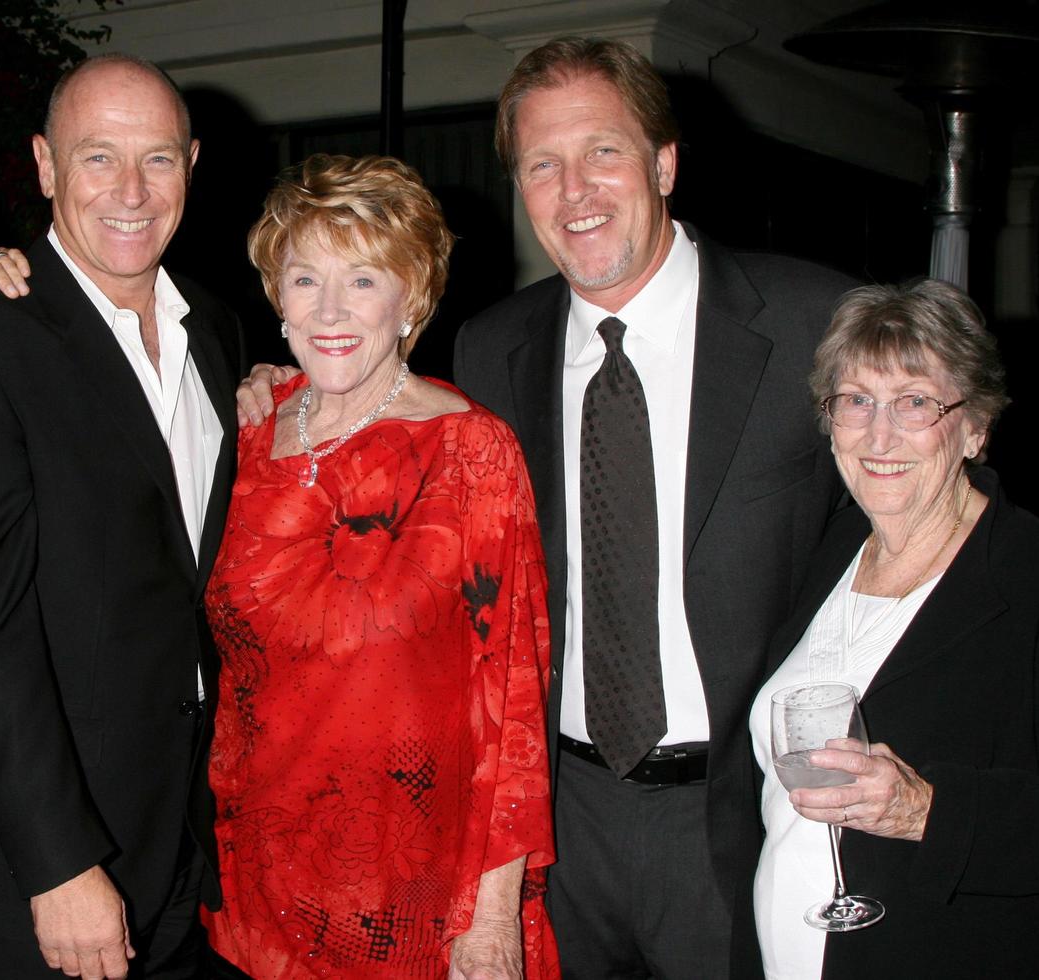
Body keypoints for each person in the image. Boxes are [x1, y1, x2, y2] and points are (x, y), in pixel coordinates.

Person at [237, 37, 855, 977]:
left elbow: (934, 537)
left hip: (741, 811)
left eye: (601, 152)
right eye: (541, 164)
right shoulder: (494, 350)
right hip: (555, 822)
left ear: (663, 162)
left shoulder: (815, 322)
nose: (576, 190)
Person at [0, 53, 243, 980]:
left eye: (159, 159)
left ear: (193, 164)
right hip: (37, 875)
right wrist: (59, 864)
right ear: (45, 166)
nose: (131, 190)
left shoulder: (216, 329)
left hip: (184, 853)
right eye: (98, 157)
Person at [197, 153, 557, 979]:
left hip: (409, 901)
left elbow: (512, 701)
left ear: (411, 299)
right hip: (245, 890)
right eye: (304, 279)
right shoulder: (244, 433)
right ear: (275, 296)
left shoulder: (469, 451)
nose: (329, 310)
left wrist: (493, 914)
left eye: (362, 280)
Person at [742, 278, 1039, 978]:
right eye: (856, 401)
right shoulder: (828, 549)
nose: (879, 433)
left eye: (916, 402)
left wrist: (931, 811)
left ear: (975, 426)